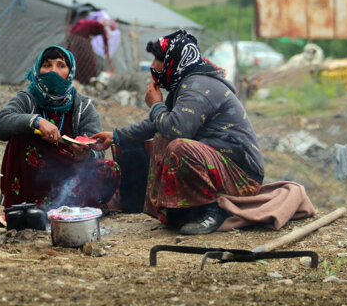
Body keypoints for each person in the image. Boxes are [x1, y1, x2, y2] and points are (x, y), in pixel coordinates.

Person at [93, 30, 264, 234]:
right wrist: (116, 136)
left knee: (178, 145)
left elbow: (176, 129)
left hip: (242, 175)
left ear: (175, 61)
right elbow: (158, 124)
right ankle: (180, 210)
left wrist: (156, 105)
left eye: (159, 59)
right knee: (161, 139)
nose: (153, 66)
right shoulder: (186, 84)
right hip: (222, 164)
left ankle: (214, 210)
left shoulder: (199, 86)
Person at [0, 46, 120, 210]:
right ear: (38, 70)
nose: (53, 71)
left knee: (109, 168)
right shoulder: (27, 99)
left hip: (71, 174)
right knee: (20, 139)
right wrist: (35, 121)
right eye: (47, 65)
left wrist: (86, 154)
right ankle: (26, 210)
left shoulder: (82, 105)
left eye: (61, 65)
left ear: (70, 71)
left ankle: (74, 207)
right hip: (36, 176)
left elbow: (97, 146)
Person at [65, 15, 113, 84]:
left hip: (71, 37)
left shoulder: (89, 22)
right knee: (87, 60)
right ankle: (85, 79)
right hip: (80, 39)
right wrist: (109, 61)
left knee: (75, 57)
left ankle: (72, 75)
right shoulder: (100, 26)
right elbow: (105, 44)